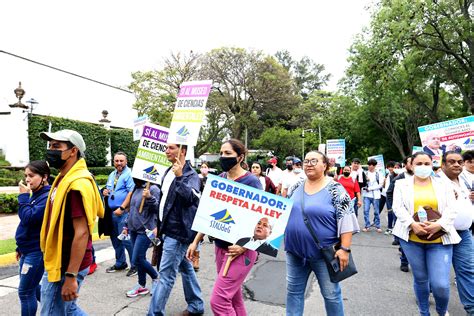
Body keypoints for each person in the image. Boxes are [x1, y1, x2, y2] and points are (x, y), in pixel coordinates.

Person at [187, 139, 262, 316]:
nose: (223, 157)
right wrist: (195, 242)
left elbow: (262, 223)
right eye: (221, 153)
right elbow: (208, 214)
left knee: (219, 301)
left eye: (228, 153)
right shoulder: (219, 179)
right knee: (234, 298)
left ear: (240, 157)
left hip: (241, 252)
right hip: (221, 248)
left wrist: (244, 245)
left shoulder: (252, 182)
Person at [285, 150, 359, 316]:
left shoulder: (335, 189)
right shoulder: (296, 186)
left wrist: (345, 249)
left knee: (331, 295)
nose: (308, 164)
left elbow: (346, 220)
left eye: (314, 161)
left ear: (324, 165)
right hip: (295, 252)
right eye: (306, 161)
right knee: (293, 292)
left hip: (324, 255)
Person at [39, 129, 104, 315]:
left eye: (56, 146)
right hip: (57, 259)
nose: (51, 150)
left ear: (73, 151)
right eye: (50, 146)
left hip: (66, 265)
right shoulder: (62, 179)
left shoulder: (76, 186)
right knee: (70, 310)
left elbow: (82, 233)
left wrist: (71, 276)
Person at [392, 151, 461, 316]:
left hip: (439, 240)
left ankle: (441, 311)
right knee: (421, 279)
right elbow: (398, 207)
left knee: (441, 285)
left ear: (432, 165)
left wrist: (439, 225)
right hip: (411, 240)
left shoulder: (444, 185)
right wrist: (412, 224)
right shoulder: (402, 184)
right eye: (419, 164)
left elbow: (452, 209)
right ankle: (424, 312)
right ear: (411, 165)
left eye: (426, 164)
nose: (423, 167)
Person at [148, 143, 204, 316]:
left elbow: (190, 199)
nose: (167, 151)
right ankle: (196, 305)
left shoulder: (190, 175)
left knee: (165, 275)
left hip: (179, 233)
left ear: (183, 151)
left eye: (171, 148)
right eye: (166, 148)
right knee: (185, 267)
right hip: (167, 230)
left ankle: (154, 313)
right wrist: (159, 225)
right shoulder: (167, 171)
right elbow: (166, 204)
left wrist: (180, 177)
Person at [439, 151, 474, 315]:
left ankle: (471, 308)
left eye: (460, 162)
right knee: (440, 275)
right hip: (443, 233)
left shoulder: (465, 179)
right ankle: (437, 303)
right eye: (452, 162)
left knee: (467, 270)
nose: (456, 165)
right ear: (443, 164)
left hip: (465, 233)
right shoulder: (437, 182)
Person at [15, 161, 51, 316]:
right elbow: (28, 224)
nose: (27, 179)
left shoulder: (47, 197)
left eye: (31, 175)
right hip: (26, 250)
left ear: (44, 176)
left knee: (25, 292)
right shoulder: (36, 194)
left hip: (36, 251)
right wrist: (20, 247)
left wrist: (23, 197)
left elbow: (28, 218)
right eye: (25, 176)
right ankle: (54, 308)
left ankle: (57, 308)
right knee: (32, 286)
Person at [123, 178, 160, 298]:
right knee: (140, 258)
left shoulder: (153, 188)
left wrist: (149, 197)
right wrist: (126, 224)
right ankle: (141, 285)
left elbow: (158, 209)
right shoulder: (136, 188)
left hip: (146, 230)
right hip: (133, 229)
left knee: (136, 259)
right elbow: (131, 209)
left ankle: (156, 278)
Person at [103, 152, 136, 276]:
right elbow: (110, 189)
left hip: (123, 212)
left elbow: (131, 192)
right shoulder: (112, 174)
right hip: (112, 212)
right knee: (115, 239)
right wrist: (105, 191)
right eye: (117, 161)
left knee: (126, 239)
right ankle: (121, 263)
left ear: (126, 161)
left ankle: (135, 265)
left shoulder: (129, 174)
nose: (119, 163)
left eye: (121, 161)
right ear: (113, 162)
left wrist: (122, 208)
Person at [386, 156, 414, 272]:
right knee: (405, 239)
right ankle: (404, 261)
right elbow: (389, 193)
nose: (414, 165)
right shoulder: (400, 178)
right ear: (405, 165)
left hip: (421, 215)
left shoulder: (428, 178)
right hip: (403, 215)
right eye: (411, 163)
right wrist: (394, 208)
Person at [362, 159, 383, 232]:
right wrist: (365, 186)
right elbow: (362, 184)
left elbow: (380, 185)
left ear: (375, 166)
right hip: (367, 195)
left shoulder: (378, 174)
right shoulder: (365, 173)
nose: (371, 166)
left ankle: (378, 226)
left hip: (375, 195)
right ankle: (367, 225)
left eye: (373, 165)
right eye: (370, 165)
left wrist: (370, 188)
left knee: (376, 211)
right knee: (365, 210)